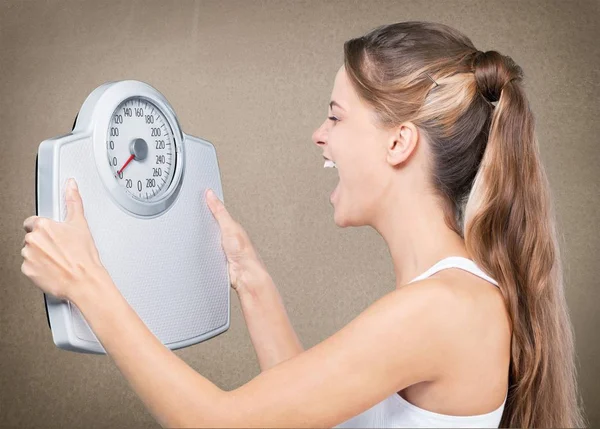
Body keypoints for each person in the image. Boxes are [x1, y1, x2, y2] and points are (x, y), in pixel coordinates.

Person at [205, 21, 586, 427]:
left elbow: (216, 419)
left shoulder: (440, 308)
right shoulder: (448, 298)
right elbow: (302, 414)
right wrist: (249, 275)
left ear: (398, 142)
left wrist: (124, 300)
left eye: (335, 117)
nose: (319, 135)